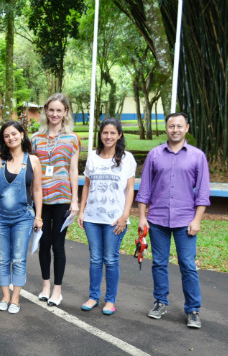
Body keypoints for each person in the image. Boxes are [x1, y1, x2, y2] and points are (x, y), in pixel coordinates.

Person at [136, 112, 210, 329]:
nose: (175, 129)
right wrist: (142, 217)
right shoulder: (154, 155)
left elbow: (203, 193)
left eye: (179, 126)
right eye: (171, 126)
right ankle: (160, 302)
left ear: (187, 127)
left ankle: (193, 310)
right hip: (157, 219)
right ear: (165, 128)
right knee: (159, 263)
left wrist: (197, 220)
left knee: (187, 265)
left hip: (185, 220)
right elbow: (145, 189)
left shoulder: (197, 156)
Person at [77, 118, 136, 315]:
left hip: (115, 219)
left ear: (119, 135)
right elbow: (86, 185)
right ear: (100, 135)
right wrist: (82, 210)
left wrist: (125, 215)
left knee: (110, 259)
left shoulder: (127, 159)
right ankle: (94, 296)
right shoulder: (93, 157)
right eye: (105, 133)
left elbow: (130, 189)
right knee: (95, 258)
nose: (108, 136)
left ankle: (110, 300)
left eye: (112, 133)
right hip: (93, 218)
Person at [0, 121, 43, 314]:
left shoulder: (33, 161)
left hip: (23, 218)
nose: (11, 138)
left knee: (18, 259)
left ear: (22, 134)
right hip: (0, 217)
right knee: (2, 259)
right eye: (6, 136)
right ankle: (5, 296)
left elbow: (37, 190)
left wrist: (39, 217)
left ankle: (16, 298)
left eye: (14, 134)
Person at [31, 93, 80, 307]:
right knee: (43, 243)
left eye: (59, 110)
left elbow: (74, 169)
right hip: (41, 198)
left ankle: (57, 291)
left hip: (62, 198)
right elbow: (31, 168)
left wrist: (75, 201)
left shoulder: (73, 138)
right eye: (51, 109)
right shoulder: (35, 138)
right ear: (45, 111)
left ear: (65, 112)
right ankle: (45, 286)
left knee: (58, 246)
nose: (54, 114)